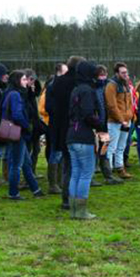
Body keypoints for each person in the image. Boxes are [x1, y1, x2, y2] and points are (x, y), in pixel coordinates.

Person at [66, 60, 107, 219]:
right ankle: (81, 211)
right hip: (83, 136)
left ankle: (73, 210)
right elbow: (88, 115)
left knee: (76, 172)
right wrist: (101, 125)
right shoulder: (88, 91)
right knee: (86, 173)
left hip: (71, 135)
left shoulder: (75, 90)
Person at [48, 56, 86, 210]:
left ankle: (66, 198)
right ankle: (73, 198)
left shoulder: (56, 82)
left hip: (60, 128)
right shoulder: (77, 84)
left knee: (67, 165)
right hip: (75, 127)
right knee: (76, 166)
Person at [2, 70, 44, 200]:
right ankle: (13, 193)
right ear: (17, 81)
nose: (27, 82)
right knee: (17, 165)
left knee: (26, 163)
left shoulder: (14, 93)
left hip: (17, 132)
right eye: (24, 79)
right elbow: (17, 115)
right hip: (18, 132)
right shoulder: (15, 95)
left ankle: (35, 189)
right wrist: (27, 125)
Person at [104, 62, 135, 180]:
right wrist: (121, 120)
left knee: (121, 146)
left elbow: (130, 102)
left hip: (126, 120)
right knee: (112, 147)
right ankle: (109, 171)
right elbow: (111, 105)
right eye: (123, 72)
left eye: (126, 72)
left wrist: (130, 116)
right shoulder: (111, 86)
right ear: (117, 73)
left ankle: (120, 168)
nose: (125, 74)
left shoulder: (126, 84)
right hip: (114, 121)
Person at [44, 61, 68, 195]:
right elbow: (49, 107)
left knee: (61, 153)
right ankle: (53, 184)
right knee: (55, 153)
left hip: (62, 125)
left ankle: (59, 182)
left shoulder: (61, 86)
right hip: (56, 125)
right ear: (59, 72)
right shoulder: (52, 86)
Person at [94, 64, 120, 185]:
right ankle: (92, 175)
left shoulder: (109, 85)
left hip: (105, 123)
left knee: (104, 149)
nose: (103, 77)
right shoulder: (93, 88)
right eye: (101, 75)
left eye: (104, 74)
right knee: (94, 150)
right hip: (95, 123)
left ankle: (108, 175)